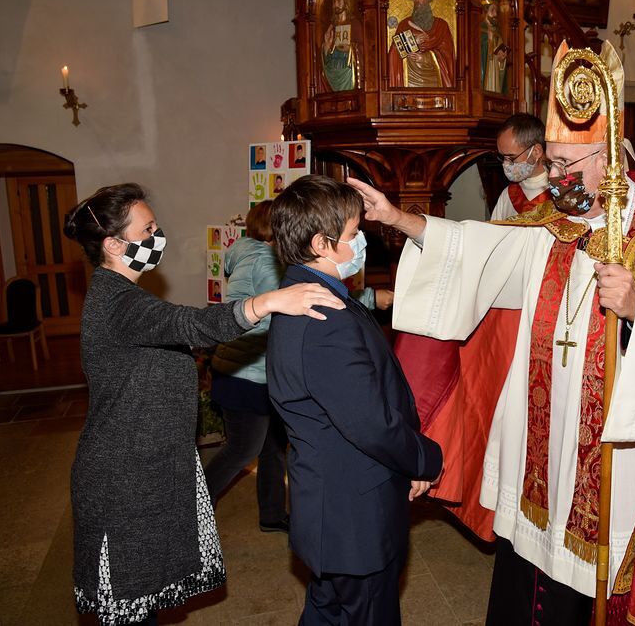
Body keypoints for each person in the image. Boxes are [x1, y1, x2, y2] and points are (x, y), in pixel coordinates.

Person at [350, 39, 635, 624]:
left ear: (609, 159)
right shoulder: (553, 223)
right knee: (525, 575)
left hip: (606, 452)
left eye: (565, 166)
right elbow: (478, 248)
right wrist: (399, 218)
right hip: (540, 445)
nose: (553, 178)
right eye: (551, 163)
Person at [63, 183, 344, 625]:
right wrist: (268, 302)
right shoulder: (116, 301)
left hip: (147, 466)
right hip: (124, 475)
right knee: (131, 603)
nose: (158, 236)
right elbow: (190, 324)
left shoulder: (123, 294)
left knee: (147, 598)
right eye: (147, 229)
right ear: (114, 244)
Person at [265, 175, 443, 625]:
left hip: (338, 507)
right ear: (321, 244)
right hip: (353, 513)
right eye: (353, 232)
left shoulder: (311, 297)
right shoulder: (323, 316)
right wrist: (423, 458)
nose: (362, 240)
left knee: (327, 612)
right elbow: (369, 423)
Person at [203, 201, 290, 533]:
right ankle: (191, 511)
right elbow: (287, 307)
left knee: (272, 448)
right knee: (242, 450)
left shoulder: (247, 255)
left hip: (253, 371)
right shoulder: (264, 261)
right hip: (247, 375)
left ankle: (272, 514)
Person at [387, 0, 455, 88]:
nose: (417, 0)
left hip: (434, 79)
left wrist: (426, 58)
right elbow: (394, 51)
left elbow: (448, 54)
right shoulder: (404, 24)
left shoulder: (441, 25)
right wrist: (413, 41)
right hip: (409, 79)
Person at [490, 113, 550, 220]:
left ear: (536, 151)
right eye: (502, 157)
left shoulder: (559, 194)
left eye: (511, 157)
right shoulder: (508, 195)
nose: (505, 164)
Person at [320, 0, 362, 92]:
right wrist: (326, 46)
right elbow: (327, 55)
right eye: (334, 2)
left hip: (347, 67)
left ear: (346, 3)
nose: (336, 5)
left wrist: (350, 49)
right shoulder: (332, 26)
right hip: (332, 67)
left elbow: (362, 47)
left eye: (339, 1)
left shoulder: (354, 24)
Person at [479, 0, 507, 94]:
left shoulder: (497, 33)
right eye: (492, 10)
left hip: (495, 78)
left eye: (496, 11)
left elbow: (500, 61)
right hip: (485, 78)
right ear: (485, 11)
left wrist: (501, 60)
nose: (495, 14)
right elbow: (478, 55)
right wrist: (489, 41)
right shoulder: (480, 30)